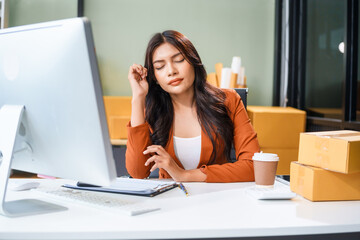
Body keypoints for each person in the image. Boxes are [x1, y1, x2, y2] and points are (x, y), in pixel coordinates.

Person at [126, 30, 260, 183]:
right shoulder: (151, 111)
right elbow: (137, 172)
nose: (171, 71)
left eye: (179, 60)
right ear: (154, 78)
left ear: (193, 61)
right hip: (170, 203)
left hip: (218, 200)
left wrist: (184, 175)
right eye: (160, 66)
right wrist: (138, 98)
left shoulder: (229, 101)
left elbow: (253, 166)